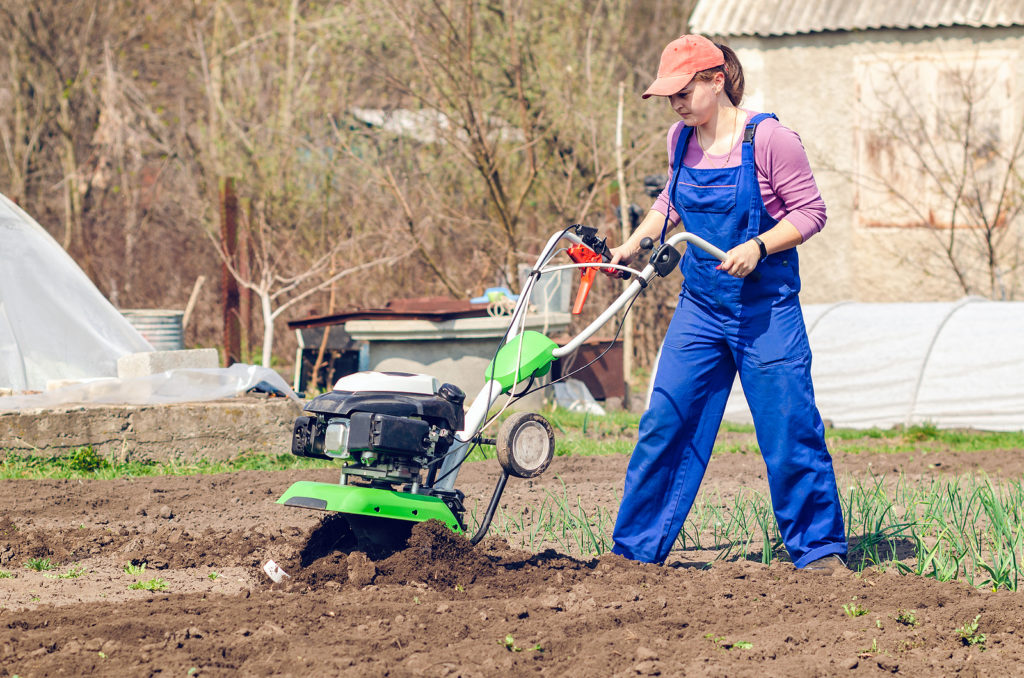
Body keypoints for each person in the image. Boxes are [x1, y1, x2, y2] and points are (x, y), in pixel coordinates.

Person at [606, 34, 847, 572]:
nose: (676, 102)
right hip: (701, 308)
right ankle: (634, 555)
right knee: (665, 423)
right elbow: (672, 199)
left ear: (717, 81)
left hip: (765, 312)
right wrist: (632, 244)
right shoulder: (680, 139)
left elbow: (811, 213)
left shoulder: (770, 139)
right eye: (669, 94)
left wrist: (759, 246)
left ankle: (820, 553)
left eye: (683, 90)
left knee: (789, 429)